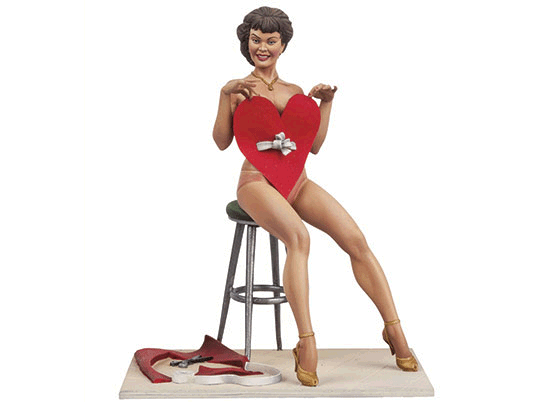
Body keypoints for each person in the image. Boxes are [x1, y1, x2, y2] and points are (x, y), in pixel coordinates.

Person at [212, 6, 418, 387]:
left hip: (297, 181)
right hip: (256, 182)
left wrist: (325, 104)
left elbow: (314, 146)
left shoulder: (293, 92)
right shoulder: (239, 88)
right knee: (299, 238)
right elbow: (222, 141)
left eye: (271, 41)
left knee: (356, 240)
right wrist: (224, 97)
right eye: (256, 40)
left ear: (283, 45)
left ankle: (395, 329)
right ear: (246, 42)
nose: (262, 47)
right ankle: (306, 340)